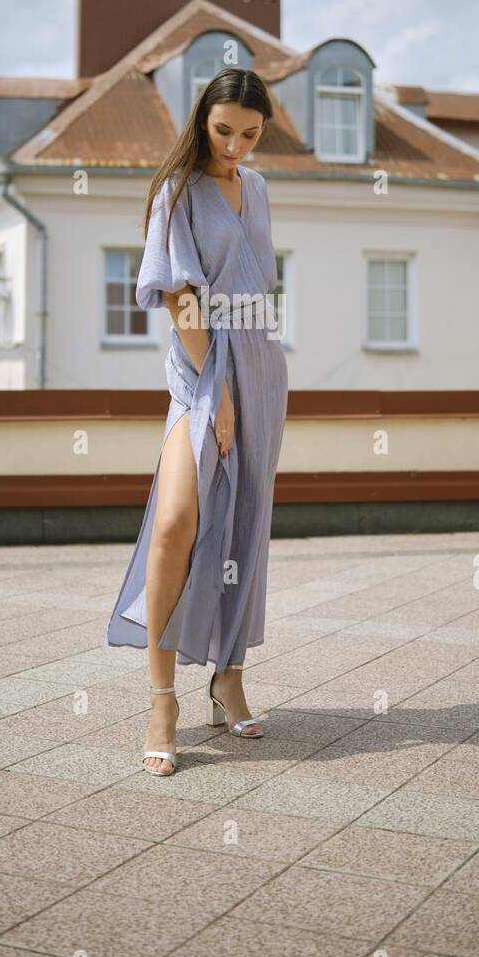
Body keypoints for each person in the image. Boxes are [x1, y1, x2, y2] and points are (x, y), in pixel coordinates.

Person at [104, 67, 288, 775]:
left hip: (262, 359)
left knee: (247, 520)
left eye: (250, 134)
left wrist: (253, 377)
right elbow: (181, 299)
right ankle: (161, 699)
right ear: (200, 119)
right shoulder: (177, 193)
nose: (236, 147)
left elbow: (260, 286)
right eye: (223, 131)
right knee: (178, 520)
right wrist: (221, 394)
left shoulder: (261, 188)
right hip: (201, 362)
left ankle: (228, 675)